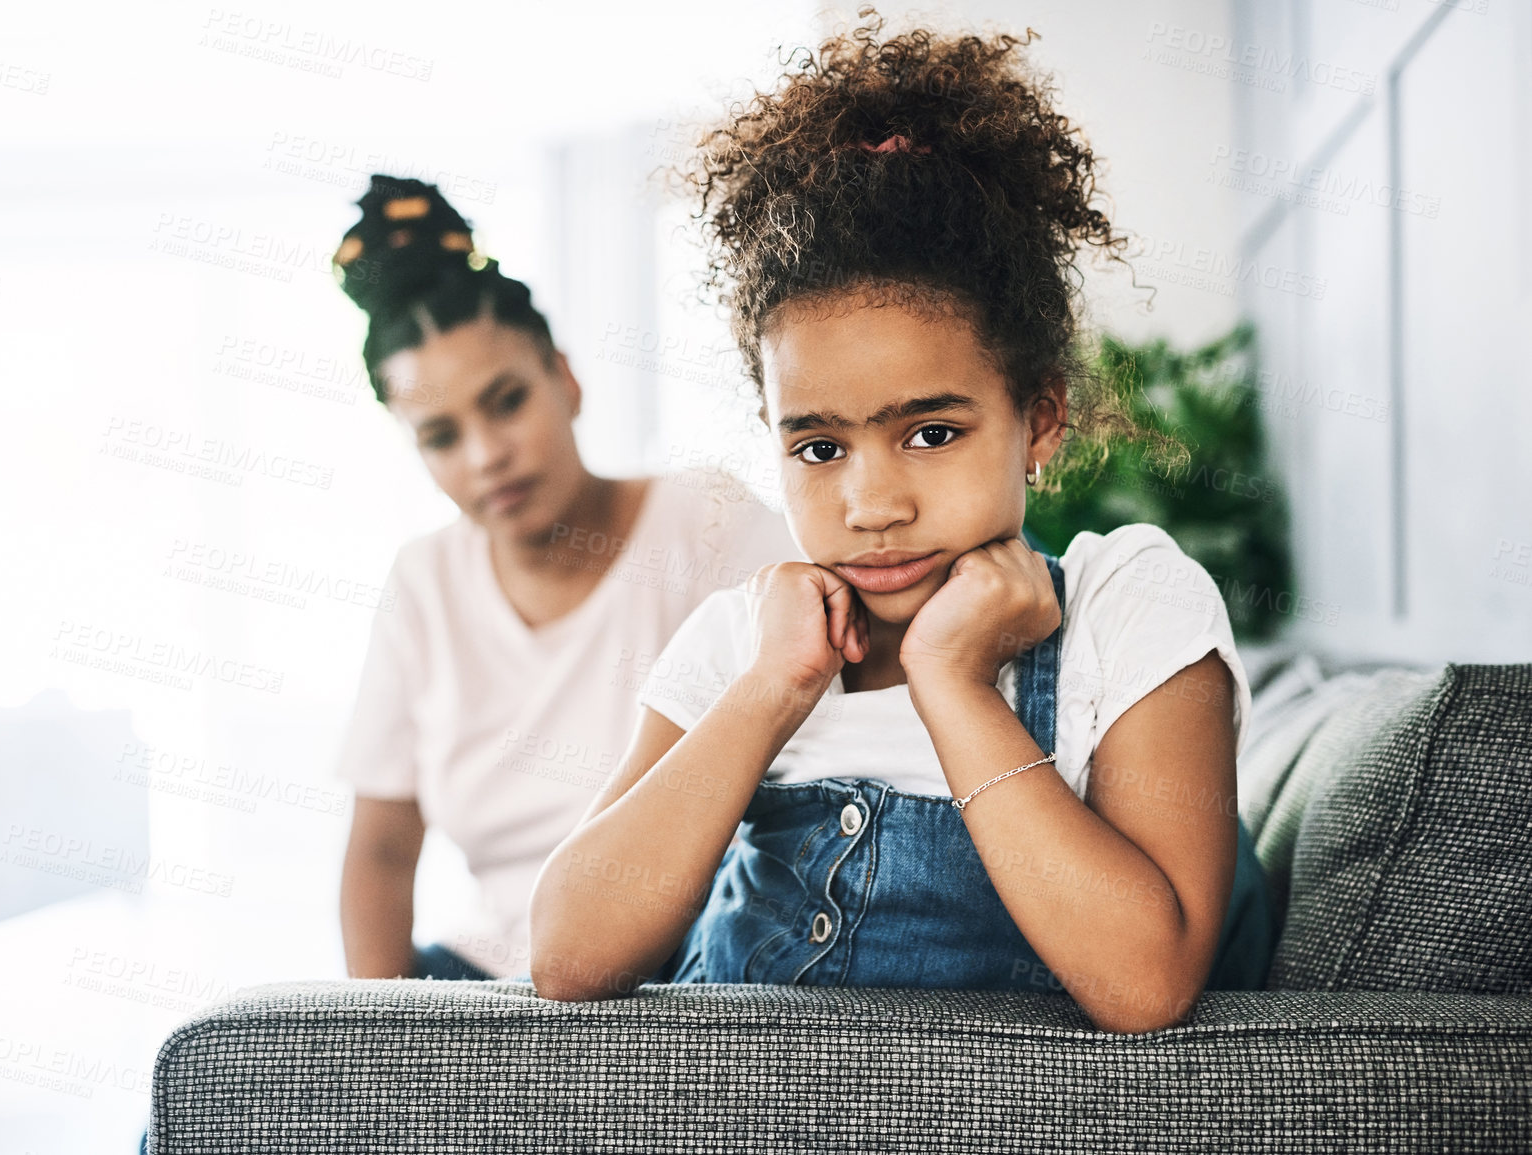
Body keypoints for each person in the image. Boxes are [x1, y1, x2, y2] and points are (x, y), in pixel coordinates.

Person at [527, 13, 1277, 1032]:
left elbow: (1145, 981)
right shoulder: (745, 648)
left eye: (929, 433)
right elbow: (569, 957)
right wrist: (771, 692)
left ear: (1040, 416)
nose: (871, 506)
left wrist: (954, 684)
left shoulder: (1127, 609)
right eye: (820, 449)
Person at [331, 174, 801, 982]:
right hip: (489, 980)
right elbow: (377, 852)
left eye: (506, 401)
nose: (486, 455)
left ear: (566, 379)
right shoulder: (424, 583)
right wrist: (380, 1061)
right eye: (441, 435)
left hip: (689, 970)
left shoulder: (705, 521)